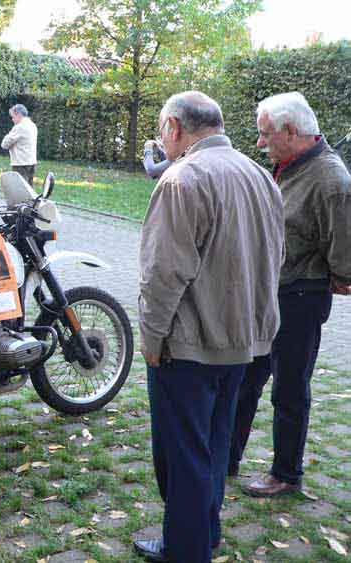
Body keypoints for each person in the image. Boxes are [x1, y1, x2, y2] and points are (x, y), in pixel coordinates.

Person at [135, 91, 284, 563]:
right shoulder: (261, 175)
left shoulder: (183, 178)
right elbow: (275, 257)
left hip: (190, 346)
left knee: (183, 457)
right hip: (243, 341)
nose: (163, 141)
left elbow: (163, 273)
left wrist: (152, 339)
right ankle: (205, 531)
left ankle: (186, 549)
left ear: (175, 128)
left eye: (163, 131)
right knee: (215, 446)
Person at [230, 92, 351, 496]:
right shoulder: (290, 165)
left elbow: (345, 256)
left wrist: (337, 275)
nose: (260, 143)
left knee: (289, 388)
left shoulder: (331, 180)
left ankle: (285, 474)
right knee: (246, 378)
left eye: (266, 135)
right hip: (270, 291)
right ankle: (226, 456)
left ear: (292, 131)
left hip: (300, 297)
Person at [0, 104, 38, 186]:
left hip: (20, 163)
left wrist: (8, 135)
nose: (12, 119)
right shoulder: (33, 125)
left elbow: (4, 144)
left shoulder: (19, 127)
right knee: (29, 188)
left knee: (20, 189)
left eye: (13, 117)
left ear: (18, 114)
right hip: (31, 162)